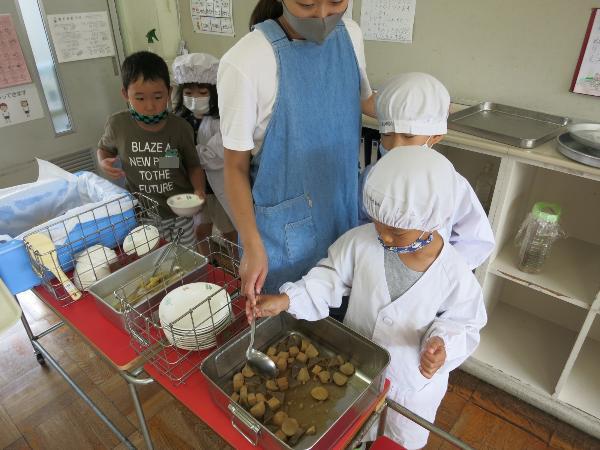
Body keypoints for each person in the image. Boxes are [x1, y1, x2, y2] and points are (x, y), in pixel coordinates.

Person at [249, 147, 487, 449]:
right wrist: (287, 300)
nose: (385, 237)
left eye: (397, 232)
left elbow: (465, 323)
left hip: (410, 387)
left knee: (397, 440)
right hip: (358, 372)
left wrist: (442, 345)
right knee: (355, 432)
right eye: (379, 223)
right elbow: (331, 276)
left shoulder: (454, 273)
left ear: (429, 221)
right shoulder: (362, 242)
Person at [219, 0, 376, 302]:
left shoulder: (351, 36)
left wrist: (420, 106)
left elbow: (365, 100)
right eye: (306, 4)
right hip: (282, 242)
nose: (321, 16)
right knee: (290, 334)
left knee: (342, 315)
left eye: (336, 1)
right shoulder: (246, 61)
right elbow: (234, 167)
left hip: (341, 214)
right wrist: (252, 246)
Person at [358, 72, 495, 270]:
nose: (395, 145)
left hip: (427, 274)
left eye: (408, 136)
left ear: (436, 136)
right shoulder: (372, 176)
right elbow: (359, 221)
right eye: (387, 134)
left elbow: (476, 240)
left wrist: (442, 271)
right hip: (375, 268)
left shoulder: (451, 185)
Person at [97, 51, 205, 247]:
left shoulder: (180, 128)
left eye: (157, 96)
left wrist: (199, 191)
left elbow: (193, 166)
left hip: (179, 212)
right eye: (139, 98)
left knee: (186, 257)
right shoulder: (118, 125)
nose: (149, 106)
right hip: (143, 214)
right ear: (125, 95)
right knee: (154, 262)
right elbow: (104, 149)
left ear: (169, 92)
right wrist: (104, 162)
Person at [172, 53, 238, 250]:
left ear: (215, 93)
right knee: (201, 230)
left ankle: (236, 267)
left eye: (202, 93)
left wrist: (187, 156)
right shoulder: (179, 121)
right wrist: (168, 163)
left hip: (218, 188)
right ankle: (207, 263)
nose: (194, 99)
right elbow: (171, 155)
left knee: (230, 231)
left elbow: (217, 156)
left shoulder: (222, 121)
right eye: (189, 93)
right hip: (195, 189)